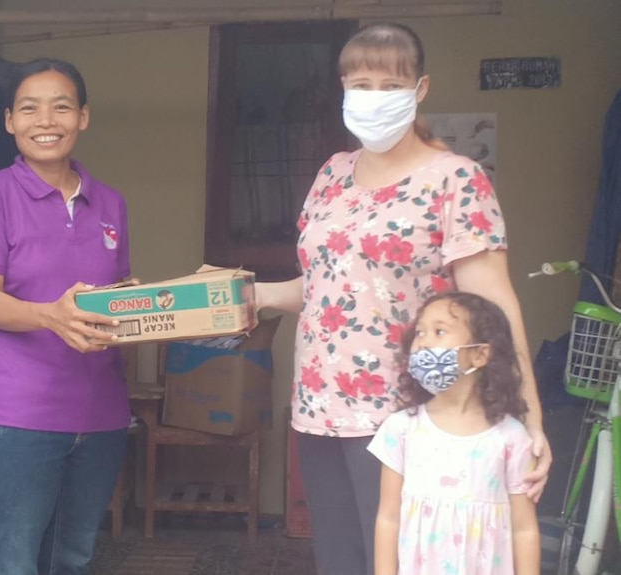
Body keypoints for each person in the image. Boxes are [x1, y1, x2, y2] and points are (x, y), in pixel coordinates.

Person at [253, 22, 551, 575]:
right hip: (319, 407)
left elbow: (495, 304)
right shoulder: (332, 175)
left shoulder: (455, 179)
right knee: (340, 561)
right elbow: (325, 285)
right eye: (359, 84)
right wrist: (247, 297)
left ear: (421, 89)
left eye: (390, 85)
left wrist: (529, 418)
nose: (373, 98)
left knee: (401, 561)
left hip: (412, 413)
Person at [0, 58, 130, 575]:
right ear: (10, 120)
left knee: (71, 559)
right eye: (29, 108)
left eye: (61, 106)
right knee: (12, 561)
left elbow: (114, 298)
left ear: (83, 117)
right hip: (18, 416)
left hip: (101, 416)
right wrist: (50, 316)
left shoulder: (111, 204)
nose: (46, 120)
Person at [369, 292, 540, 574]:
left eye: (439, 331)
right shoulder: (401, 429)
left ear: (480, 353)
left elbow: (524, 529)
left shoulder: (511, 437)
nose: (423, 342)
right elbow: (388, 518)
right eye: (420, 332)